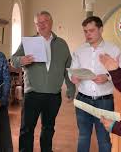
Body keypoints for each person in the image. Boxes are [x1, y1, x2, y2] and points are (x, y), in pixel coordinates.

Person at [11, 11, 75, 152]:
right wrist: (21, 60)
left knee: (48, 128)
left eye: (44, 21)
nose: (41, 25)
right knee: (27, 129)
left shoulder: (62, 44)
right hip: (32, 94)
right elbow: (13, 60)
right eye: (38, 22)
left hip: (53, 95)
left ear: (51, 22)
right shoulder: (28, 42)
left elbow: (68, 67)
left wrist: (70, 87)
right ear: (35, 25)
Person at [70, 16, 121, 152]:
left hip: (104, 101)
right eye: (85, 31)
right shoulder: (79, 50)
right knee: (83, 136)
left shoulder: (114, 50)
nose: (88, 34)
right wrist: (74, 77)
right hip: (83, 99)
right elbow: (72, 71)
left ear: (101, 29)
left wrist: (107, 77)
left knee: (104, 139)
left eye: (91, 30)